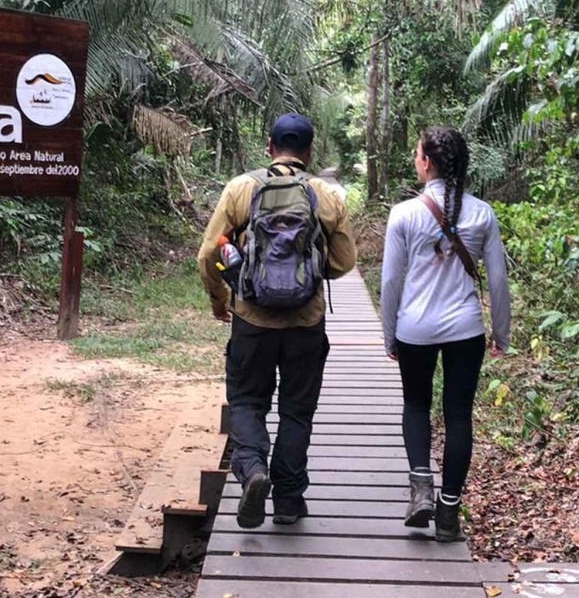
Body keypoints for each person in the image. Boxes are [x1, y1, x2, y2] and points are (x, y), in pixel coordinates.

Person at [198, 113, 358, 529]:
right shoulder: (324, 194)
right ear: (309, 151)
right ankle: (288, 500)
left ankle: (253, 470)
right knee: (296, 411)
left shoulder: (241, 188)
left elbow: (208, 254)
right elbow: (344, 262)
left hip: (252, 319)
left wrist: (220, 298)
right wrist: (307, 274)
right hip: (306, 322)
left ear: (269, 147)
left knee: (248, 401)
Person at [380, 126, 510, 542]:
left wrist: (389, 334)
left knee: (416, 405)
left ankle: (421, 490)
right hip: (465, 329)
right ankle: (449, 512)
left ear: (427, 162)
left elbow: (390, 281)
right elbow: (498, 280)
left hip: (415, 327)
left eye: (417, 154)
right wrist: (501, 333)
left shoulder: (404, 213)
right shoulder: (482, 213)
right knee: (458, 415)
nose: (415, 160)